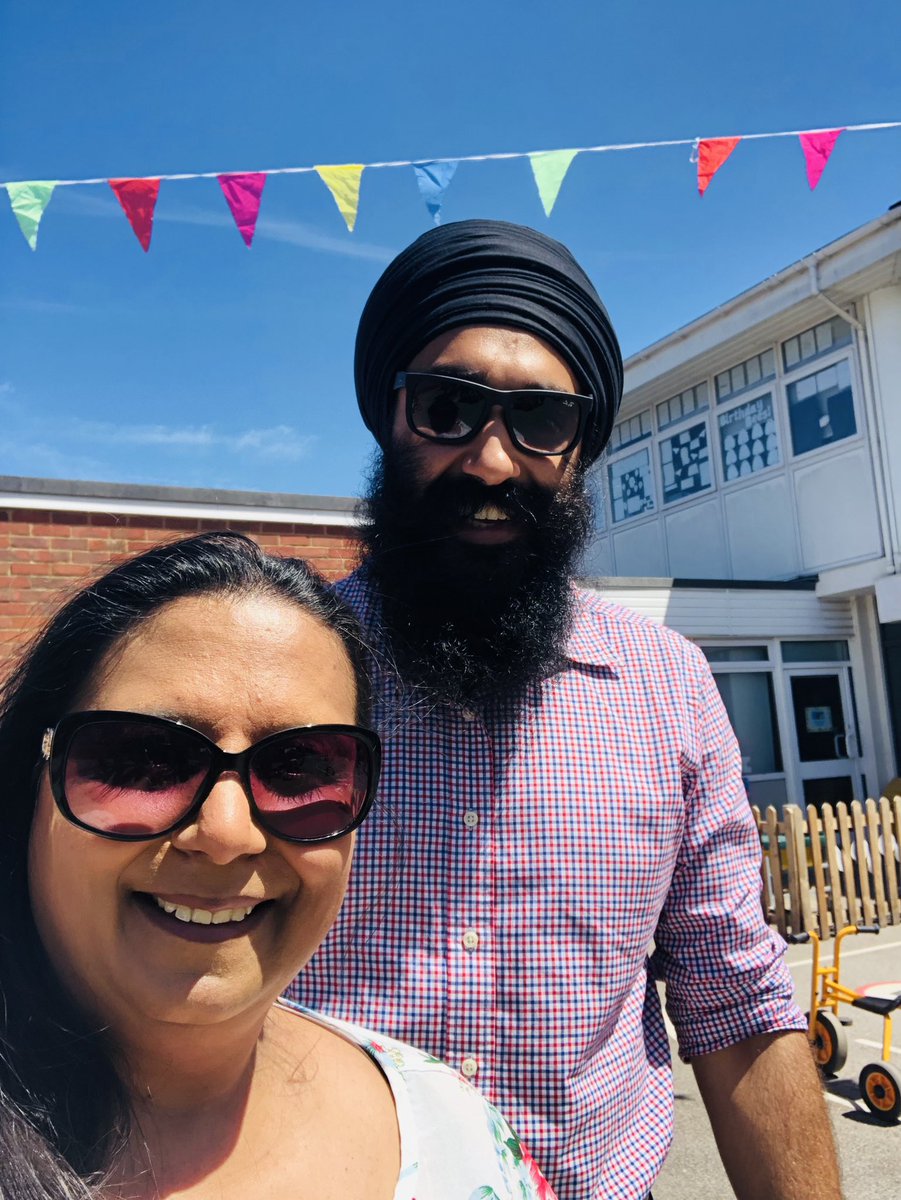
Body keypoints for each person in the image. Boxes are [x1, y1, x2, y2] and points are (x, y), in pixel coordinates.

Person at [288, 221, 843, 1200]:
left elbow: (733, 996)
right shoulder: (284, 672)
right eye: (449, 408)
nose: (492, 462)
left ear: (579, 448)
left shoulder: (668, 685)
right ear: (390, 417)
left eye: (539, 419)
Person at [0, 531, 556, 1200]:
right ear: (31, 778)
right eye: (143, 759)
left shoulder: (455, 1130)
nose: (227, 834)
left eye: (301, 768)